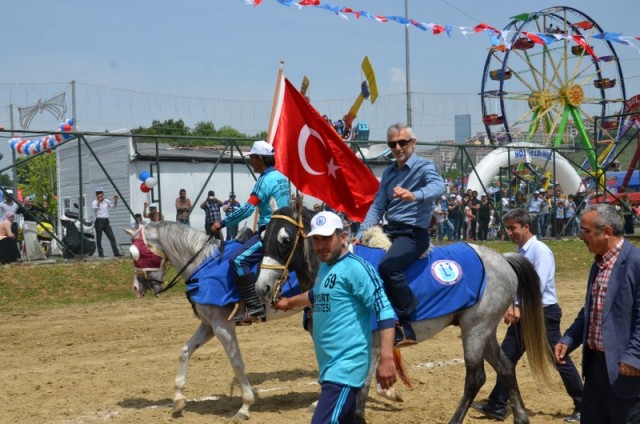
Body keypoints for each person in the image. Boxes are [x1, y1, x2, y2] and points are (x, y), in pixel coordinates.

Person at [273, 211, 397, 423]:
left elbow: (384, 310)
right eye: (316, 240)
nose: (320, 246)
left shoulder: (356, 268)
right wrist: (289, 302)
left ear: (342, 237)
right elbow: (316, 294)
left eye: (327, 238)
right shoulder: (326, 268)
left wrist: (386, 358)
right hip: (330, 367)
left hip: (346, 370)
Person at [472, 208, 582, 422]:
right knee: (506, 357)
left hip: (542, 314)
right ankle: (497, 405)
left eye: (513, 227)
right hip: (523, 313)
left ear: (526, 226)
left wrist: (519, 307)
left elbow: (536, 285)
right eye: (507, 228)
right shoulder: (519, 252)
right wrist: (510, 304)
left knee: (558, 358)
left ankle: (583, 403)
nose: (510, 232)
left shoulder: (540, 251)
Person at [355, 123, 445, 347]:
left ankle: (407, 324)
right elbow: (378, 206)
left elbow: (438, 186)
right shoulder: (389, 172)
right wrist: (360, 233)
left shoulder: (425, 166)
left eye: (402, 142)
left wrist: (414, 195)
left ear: (413, 143)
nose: (397, 147)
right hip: (390, 231)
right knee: (361, 264)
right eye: (392, 144)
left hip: (413, 235)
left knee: (389, 267)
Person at [555, 204, 640, 423]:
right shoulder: (599, 262)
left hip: (626, 370)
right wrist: (570, 337)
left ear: (607, 232)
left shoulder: (636, 263)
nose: (581, 236)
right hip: (595, 367)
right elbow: (591, 308)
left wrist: (634, 355)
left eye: (585, 231)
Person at [211, 140, 290, 323]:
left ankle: (254, 307)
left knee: (237, 260)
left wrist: (222, 223)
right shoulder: (281, 176)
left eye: (252, 158)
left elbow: (247, 210)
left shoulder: (263, 181)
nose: (251, 162)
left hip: (270, 232)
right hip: (284, 228)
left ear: (260, 158)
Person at [92, 188, 123, 258]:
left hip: (106, 221)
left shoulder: (106, 201)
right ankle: (101, 253)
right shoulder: (94, 202)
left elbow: (113, 207)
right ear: (96, 195)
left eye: (101, 193)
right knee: (99, 238)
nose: (100, 195)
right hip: (99, 220)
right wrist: (99, 201)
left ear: (103, 194)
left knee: (111, 236)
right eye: (98, 194)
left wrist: (115, 201)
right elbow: (96, 208)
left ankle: (116, 252)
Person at [16, 196, 47, 261]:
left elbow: (42, 211)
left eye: (31, 201)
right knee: (28, 241)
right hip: (27, 224)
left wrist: (44, 207)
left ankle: (36, 255)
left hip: (33, 225)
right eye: (29, 201)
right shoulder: (23, 208)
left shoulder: (34, 207)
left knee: (34, 240)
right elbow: (17, 211)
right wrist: (22, 205)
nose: (30, 203)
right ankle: (29, 256)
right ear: (26, 202)